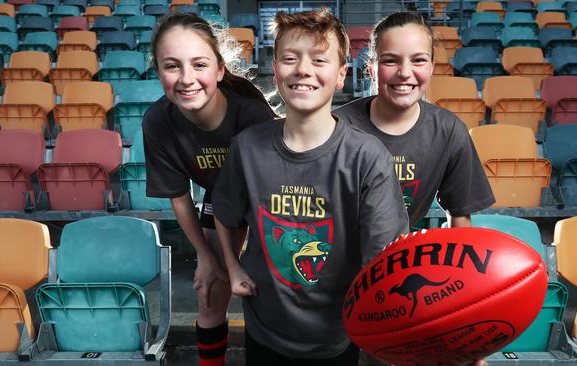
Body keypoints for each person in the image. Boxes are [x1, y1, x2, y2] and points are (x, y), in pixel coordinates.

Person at [211, 9, 409, 365]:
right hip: (264, 330)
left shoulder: (366, 157)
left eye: (319, 59)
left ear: (340, 75)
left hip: (335, 337)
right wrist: (233, 267)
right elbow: (224, 213)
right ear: (276, 70)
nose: (303, 69)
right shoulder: (247, 147)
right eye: (290, 58)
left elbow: (383, 259)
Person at [142, 12, 276, 366]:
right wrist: (206, 256)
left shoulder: (252, 116)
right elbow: (181, 197)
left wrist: (239, 263)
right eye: (172, 66)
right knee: (209, 293)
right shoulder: (158, 121)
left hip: (271, 200)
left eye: (198, 64)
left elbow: (267, 197)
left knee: (270, 289)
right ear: (158, 72)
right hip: (220, 200)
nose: (186, 79)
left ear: (219, 69)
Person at [334, 11, 495, 229]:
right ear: (372, 69)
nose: (405, 73)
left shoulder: (449, 131)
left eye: (418, 60)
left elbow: (460, 217)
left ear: (432, 68)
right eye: (391, 61)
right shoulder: (338, 127)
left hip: (399, 257)